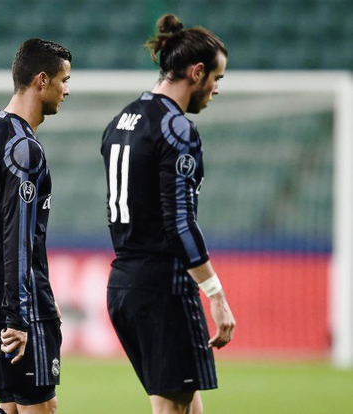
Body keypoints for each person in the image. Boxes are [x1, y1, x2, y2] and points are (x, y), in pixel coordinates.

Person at [101, 14, 236, 414]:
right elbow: (180, 222)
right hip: (163, 288)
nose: (216, 89)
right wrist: (216, 294)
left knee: (186, 407)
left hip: (124, 284)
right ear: (197, 72)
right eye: (217, 78)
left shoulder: (121, 121)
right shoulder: (176, 128)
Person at [0, 38, 71, 414]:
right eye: (63, 80)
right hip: (14, 304)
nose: (67, 91)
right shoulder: (22, 147)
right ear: (41, 81)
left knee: (13, 409)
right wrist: (20, 313)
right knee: (41, 410)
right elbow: (17, 238)